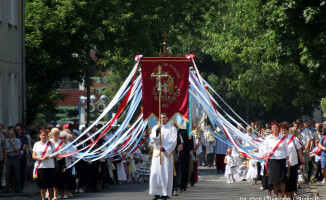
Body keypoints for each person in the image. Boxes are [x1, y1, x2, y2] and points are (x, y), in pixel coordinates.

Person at [149, 113, 177, 200]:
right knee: (155, 173)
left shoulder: (172, 129)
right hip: (157, 154)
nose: (162, 119)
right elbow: (152, 139)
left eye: (164, 117)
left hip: (166, 154)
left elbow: (174, 141)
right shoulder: (155, 127)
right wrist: (158, 130)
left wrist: (164, 148)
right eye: (161, 117)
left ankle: (165, 193)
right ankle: (156, 193)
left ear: (167, 118)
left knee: (165, 174)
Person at [264, 121, 289, 199]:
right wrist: (268, 151)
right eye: (273, 128)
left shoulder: (282, 138)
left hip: (282, 159)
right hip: (272, 160)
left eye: (276, 127)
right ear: (271, 129)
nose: (275, 129)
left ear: (279, 129)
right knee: (274, 180)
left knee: (282, 179)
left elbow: (286, 149)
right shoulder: (268, 138)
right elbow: (264, 149)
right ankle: (276, 196)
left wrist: (288, 160)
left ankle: (282, 196)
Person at [280, 123, 304, 199]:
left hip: (293, 162)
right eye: (281, 130)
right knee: (284, 179)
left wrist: (301, 158)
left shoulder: (293, 138)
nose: (283, 132)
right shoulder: (278, 139)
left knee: (292, 179)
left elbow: (299, 149)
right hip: (282, 162)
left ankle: (292, 194)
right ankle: (285, 194)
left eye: (284, 130)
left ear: (287, 131)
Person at [32, 129, 55, 200]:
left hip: (50, 166)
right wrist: (41, 159)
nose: (44, 136)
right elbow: (33, 156)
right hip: (41, 166)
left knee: (50, 184)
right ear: (40, 136)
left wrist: (49, 156)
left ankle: (49, 197)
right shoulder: (36, 144)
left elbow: (55, 154)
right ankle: (43, 198)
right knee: (42, 184)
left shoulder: (51, 143)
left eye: (45, 135)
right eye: (42, 135)